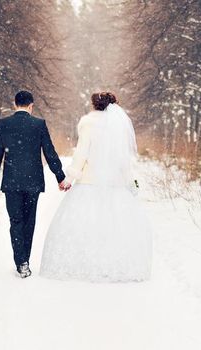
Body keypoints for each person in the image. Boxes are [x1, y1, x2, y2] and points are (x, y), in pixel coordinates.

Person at [39, 92, 153, 282]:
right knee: (114, 226)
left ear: (94, 105)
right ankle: (114, 264)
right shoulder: (119, 128)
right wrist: (129, 181)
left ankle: (85, 264)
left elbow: (82, 153)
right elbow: (123, 160)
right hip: (116, 184)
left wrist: (70, 177)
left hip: (89, 182)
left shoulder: (88, 124)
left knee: (85, 224)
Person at [0, 90, 68, 278]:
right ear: (31, 106)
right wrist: (60, 176)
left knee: (15, 221)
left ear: (15, 105)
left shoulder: (3, 124)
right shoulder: (38, 125)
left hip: (11, 181)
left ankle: (21, 262)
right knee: (29, 221)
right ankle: (25, 260)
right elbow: (50, 153)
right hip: (33, 182)